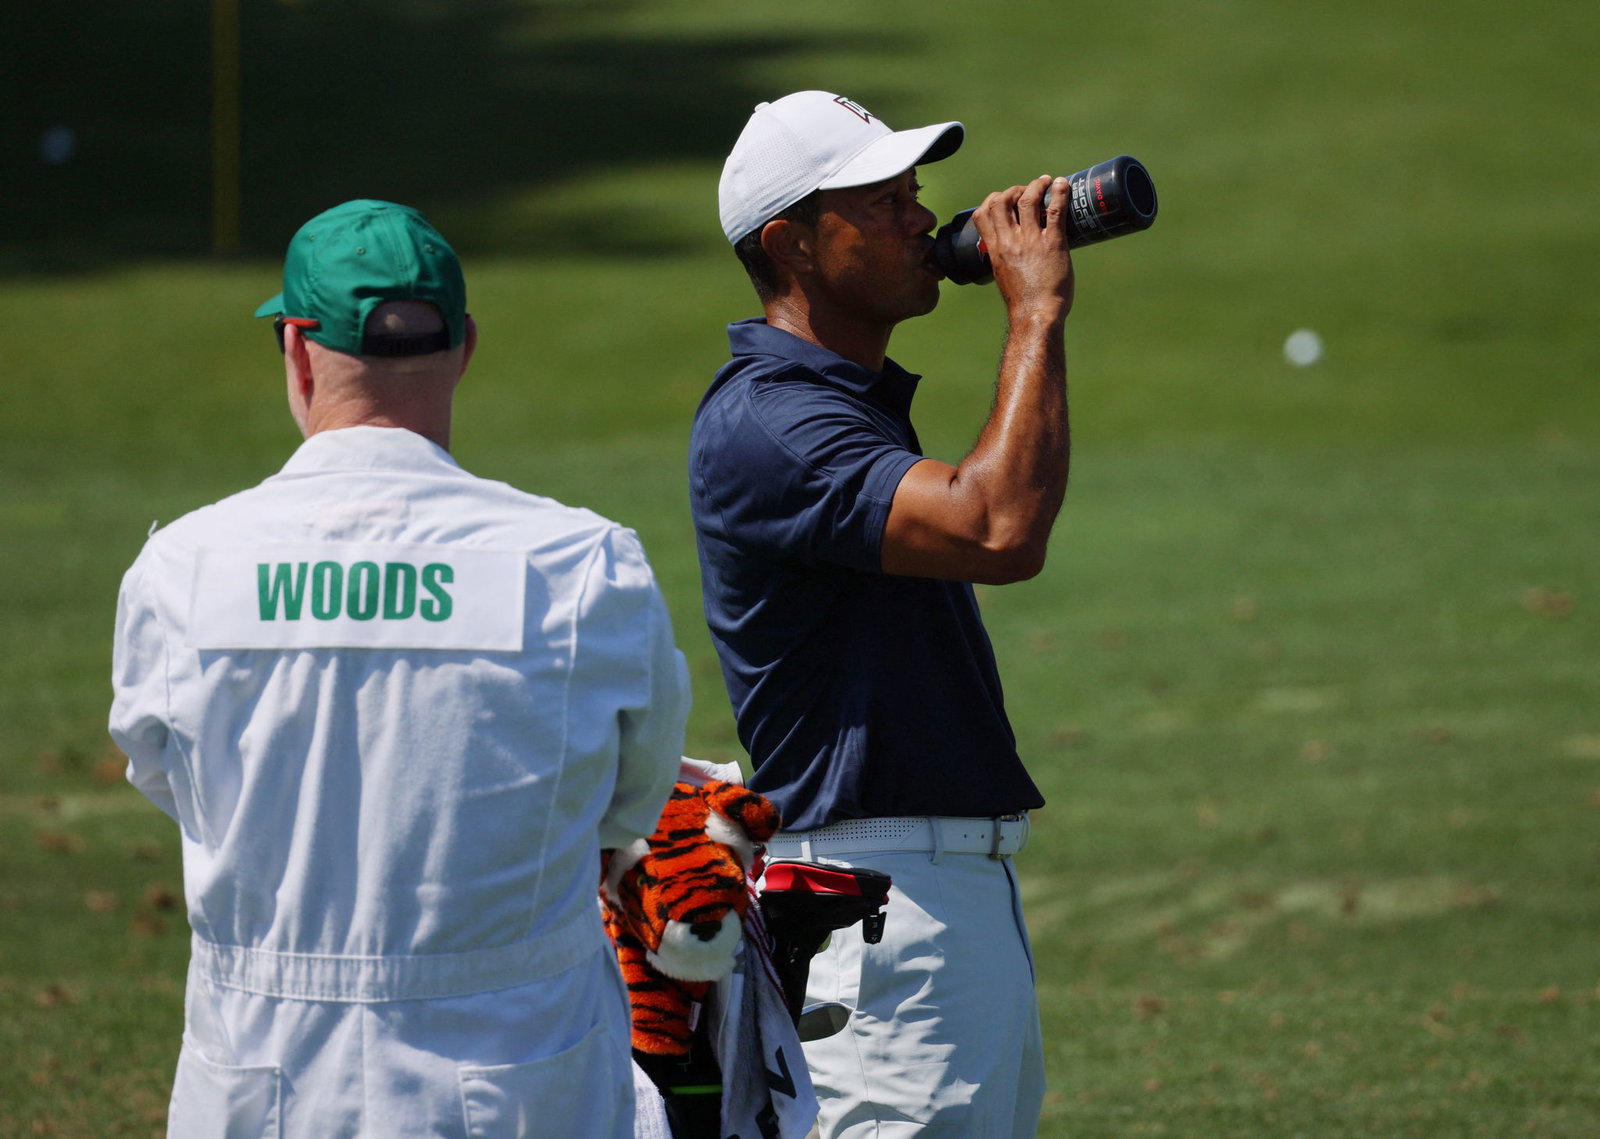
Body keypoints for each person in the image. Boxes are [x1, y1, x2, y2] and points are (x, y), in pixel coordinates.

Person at [109, 199, 691, 1139]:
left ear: (296, 350)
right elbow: (629, 805)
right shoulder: (582, 564)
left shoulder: (182, 567)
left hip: (262, 1068)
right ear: (462, 345)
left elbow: (162, 774)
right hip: (522, 1069)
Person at [688, 91, 1077, 1137]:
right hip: (875, 907)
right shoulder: (771, 419)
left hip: (921, 901)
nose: (921, 219)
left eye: (915, 193)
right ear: (793, 244)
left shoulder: (830, 408)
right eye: (882, 202)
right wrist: (1033, 313)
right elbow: (996, 529)